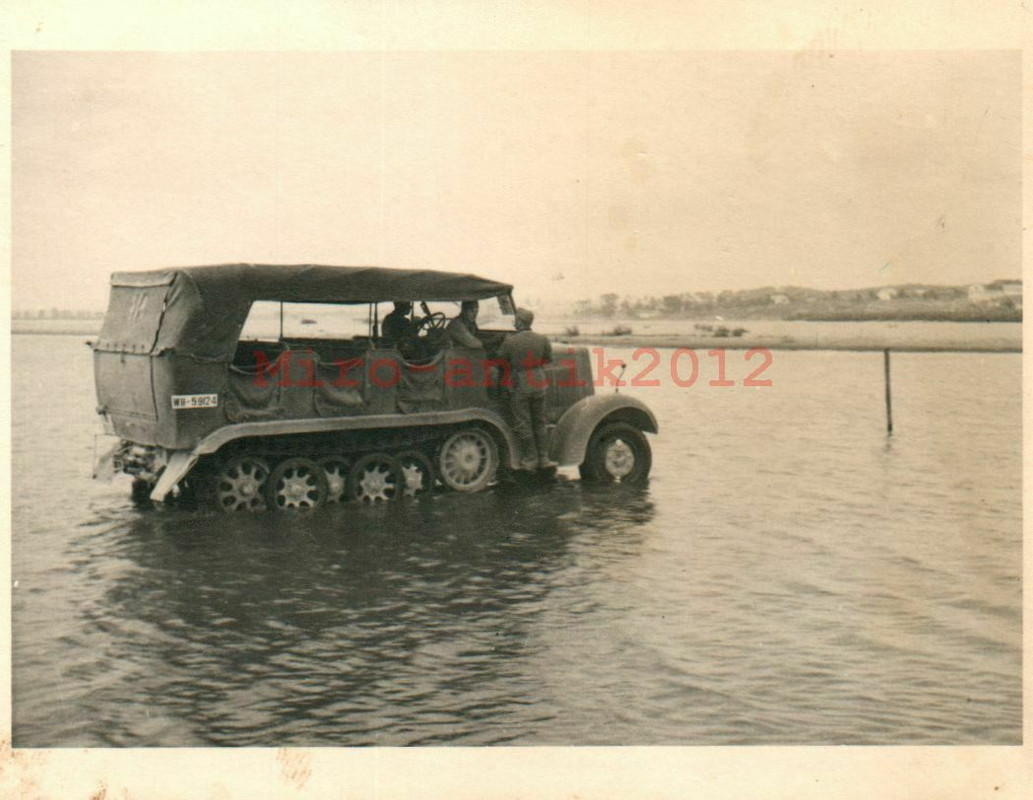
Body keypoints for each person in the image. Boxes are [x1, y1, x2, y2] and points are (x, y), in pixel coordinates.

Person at [498, 307, 557, 471]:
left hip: (520, 383)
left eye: (516, 320)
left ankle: (530, 459)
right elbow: (548, 359)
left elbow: (500, 358)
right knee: (540, 420)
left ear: (520, 322)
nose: (514, 322)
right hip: (538, 382)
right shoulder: (542, 339)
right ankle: (544, 458)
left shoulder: (510, 341)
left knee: (523, 422)